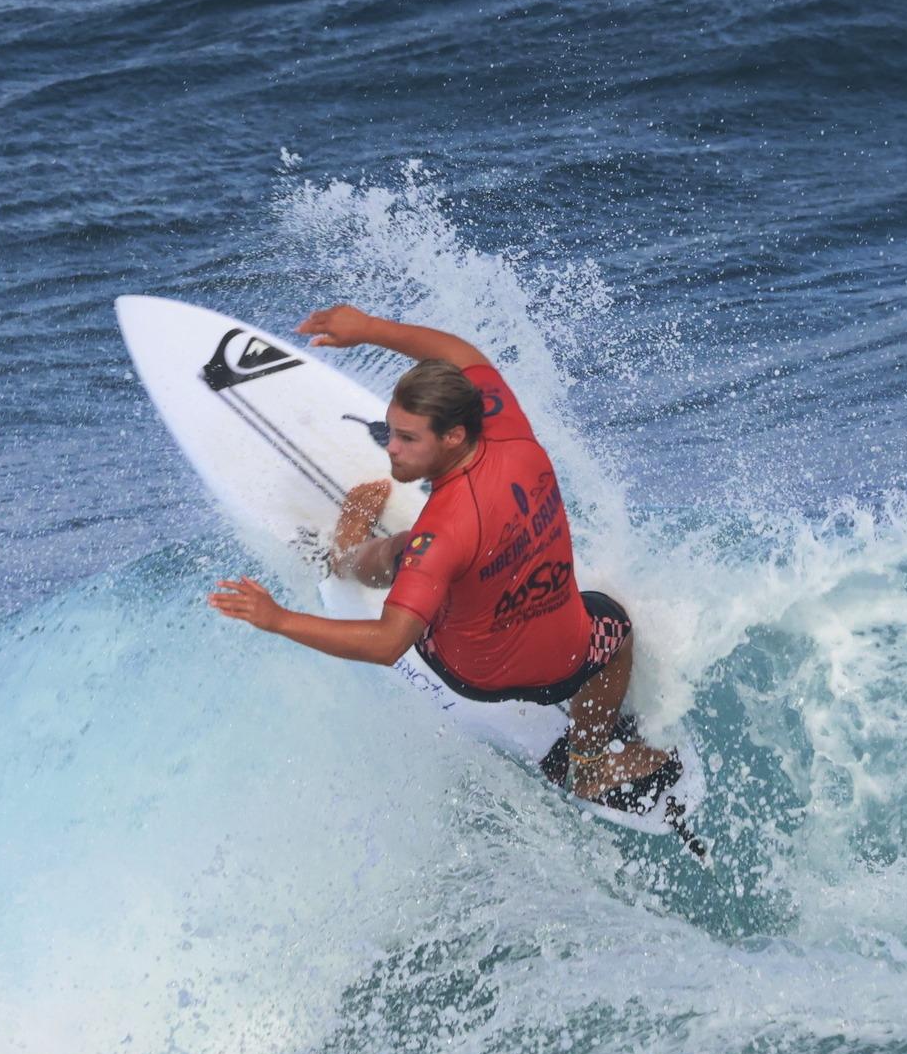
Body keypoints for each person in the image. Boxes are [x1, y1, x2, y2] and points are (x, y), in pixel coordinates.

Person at [207, 304, 681, 811]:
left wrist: (279, 619)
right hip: (569, 656)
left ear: (453, 436)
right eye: (392, 431)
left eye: (408, 439)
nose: (391, 449)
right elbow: (462, 354)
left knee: (402, 549)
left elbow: (389, 642)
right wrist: (369, 329)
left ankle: (344, 554)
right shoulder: (509, 426)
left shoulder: (440, 534)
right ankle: (588, 758)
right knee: (615, 627)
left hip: (474, 674)